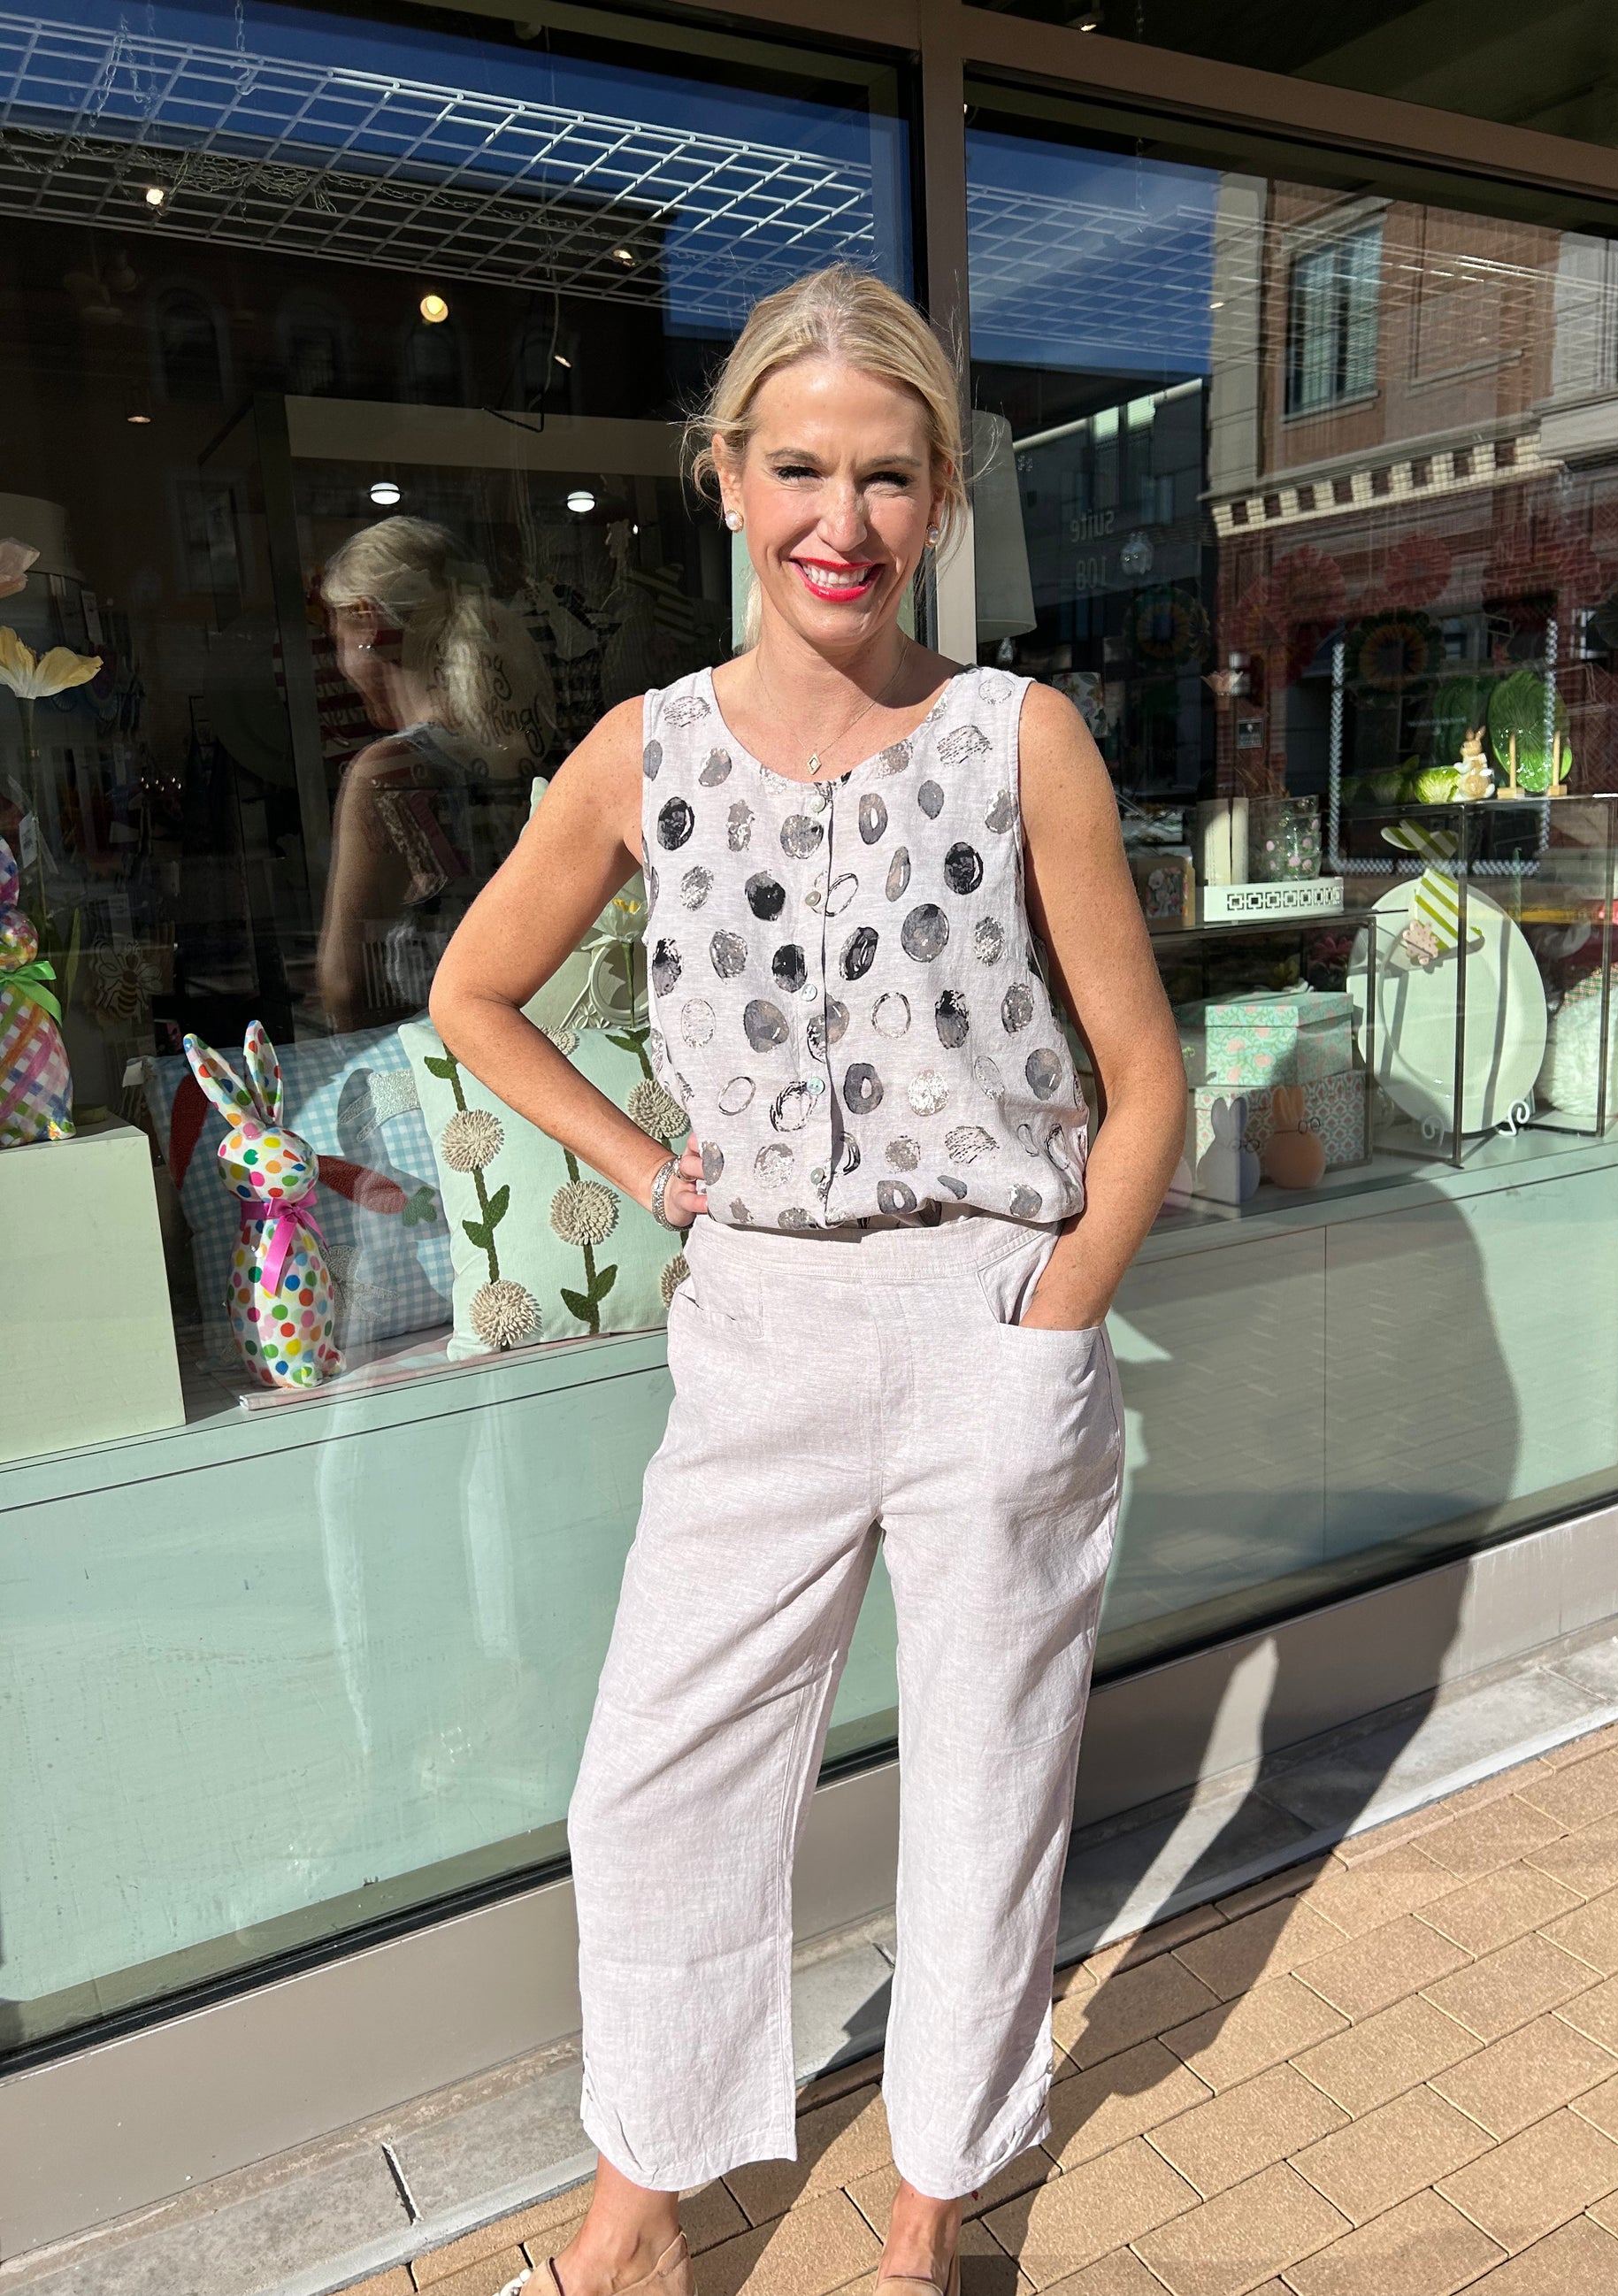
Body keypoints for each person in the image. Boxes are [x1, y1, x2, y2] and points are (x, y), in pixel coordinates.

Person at [428, 265, 1186, 2296]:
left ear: (940, 496)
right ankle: (639, 2213)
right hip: (757, 1327)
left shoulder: (1018, 740)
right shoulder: (644, 755)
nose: (839, 519)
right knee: (653, 1788)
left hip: (987, 1319)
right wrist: (647, 1166)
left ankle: (925, 2217)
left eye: (886, 475)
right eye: (798, 469)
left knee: (987, 1791)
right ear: (725, 475)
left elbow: (1145, 1078)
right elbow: (474, 990)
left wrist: (1055, 1309)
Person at [318, 516, 550, 1032]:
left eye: (337, 636)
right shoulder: (522, 753)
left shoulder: (391, 772)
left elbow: (346, 984)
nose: (338, 663)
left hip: (436, 1061)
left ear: (367, 623)